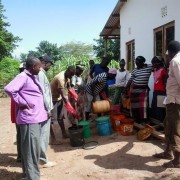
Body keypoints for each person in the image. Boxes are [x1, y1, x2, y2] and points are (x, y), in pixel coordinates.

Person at [4, 57, 48, 180]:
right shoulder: (23, 76)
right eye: (39, 67)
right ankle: (32, 177)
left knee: (31, 150)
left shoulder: (31, 77)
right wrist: (21, 103)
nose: (40, 69)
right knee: (30, 150)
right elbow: (9, 89)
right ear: (33, 66)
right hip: (29, 119)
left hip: (35, 117)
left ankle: (28, 175)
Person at [153, 40, 180, 168]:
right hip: (171, 101)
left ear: (172, 52)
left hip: (175, 102)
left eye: (168, 54)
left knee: (174, 130)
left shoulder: (175, 62)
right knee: (167, 125)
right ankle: (168, 152)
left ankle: (177, 161)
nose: (167, 56)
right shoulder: (175, 61)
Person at [37, 54, 56, 168]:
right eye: (49, 65)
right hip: (43, 109)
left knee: (42, 135)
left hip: (42, 108)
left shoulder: (39, 73)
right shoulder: (40, 74)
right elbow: (42, 93)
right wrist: (48, 109)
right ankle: (42, 161)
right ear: (45, 63)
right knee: (43, 135)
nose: (49, 67)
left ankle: (40, 159)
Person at [50, 66, 76, 139]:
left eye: (72, 75)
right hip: (52, 98)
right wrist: (71, 109)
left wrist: (75, 96)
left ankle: (64, 134)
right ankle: (53, 138)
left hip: (58, 97)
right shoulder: (60, 78)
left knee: (60, 117)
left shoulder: (67, 75)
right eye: (71, 74)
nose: (71, 77)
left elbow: (69, 88)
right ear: (68, 71)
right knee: (51, 119)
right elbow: (64, 96)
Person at [125, 56, 152, 123]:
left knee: (144, 105)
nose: (136, 64)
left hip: (143, 90)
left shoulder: (149, 67)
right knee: (135, 105)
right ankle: (136, 118)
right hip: (134, 89)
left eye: (138, 63)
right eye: (136, 62)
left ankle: (144, 119)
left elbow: (157, 66)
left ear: (142, 62)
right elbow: (131, 80)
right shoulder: (135, 70)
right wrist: (126, 87)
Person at [10, 63, 25, 163]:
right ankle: (22, 157)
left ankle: (20, 156)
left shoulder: (17, 80)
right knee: (22, 135)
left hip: (17, 113)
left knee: (20, 135)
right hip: (20, 113)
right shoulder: (21, 81)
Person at [151, 56, 168, 122]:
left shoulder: (163, 70)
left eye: (154, 63)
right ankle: (156, 121)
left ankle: (161, 123)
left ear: (158, 63)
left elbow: (165, 82)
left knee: (160, 108)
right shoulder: (155, 69)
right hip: (155, 91)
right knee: (154, 106)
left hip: (161, 91)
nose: (153, 65)